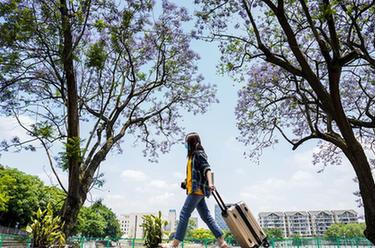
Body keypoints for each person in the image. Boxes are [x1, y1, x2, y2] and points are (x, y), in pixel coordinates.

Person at [165, 132, 228, 248]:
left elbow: (207, 169)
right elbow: (193, 174)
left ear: (192, 143)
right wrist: (185, 183)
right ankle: (222, 242)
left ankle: (175, 244)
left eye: (187, 142)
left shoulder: (199, 154)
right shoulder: (191, 156)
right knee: (206, 216)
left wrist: (210, 183)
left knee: (184, 214)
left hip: (197, 190)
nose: (185, 145)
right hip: (194, 189)